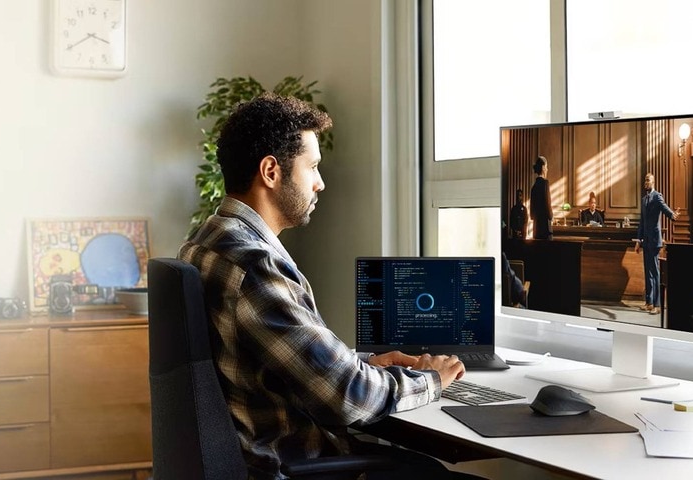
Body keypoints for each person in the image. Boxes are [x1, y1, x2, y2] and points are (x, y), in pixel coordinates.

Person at [178, 93, 478, 480]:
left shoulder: (206, 240)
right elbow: (348, 398)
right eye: (313, 167)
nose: (320, 183)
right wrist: (432, 378)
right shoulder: (253, 264)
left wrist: (365, 362)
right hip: (289, 464)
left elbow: (279, 358)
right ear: (271, 171)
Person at [635, 173, 679, 315]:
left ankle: (657, 305)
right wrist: (638, 241)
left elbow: (665, 208)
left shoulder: (657, 196)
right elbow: (642, 222)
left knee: (655, 272)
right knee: (647, 272)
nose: (645, 182)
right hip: (646, 241)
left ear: (653, 182)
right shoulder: (643, 200)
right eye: (645, 180)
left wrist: (672, 215)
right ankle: (649, 302)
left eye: (648, 180)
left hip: (654, 240)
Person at [530, 155, 553, 240]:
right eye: (546, 167)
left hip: (536, 227)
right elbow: (548, 202)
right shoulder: (545, 183)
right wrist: (551, 216)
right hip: (545, 227)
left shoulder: (534, 187)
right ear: (543, 167)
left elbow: (532, 212)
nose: (547, 169)